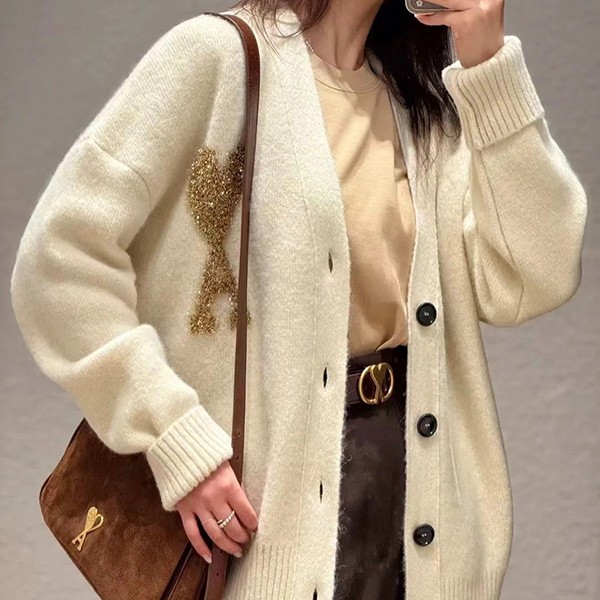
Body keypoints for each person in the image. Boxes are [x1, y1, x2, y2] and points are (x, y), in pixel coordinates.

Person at [10, 1, 587, 599]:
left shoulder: (423, 104)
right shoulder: (217, 60)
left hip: (416, 512)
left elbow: (536, 277)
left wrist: (488, 62)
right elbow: (60, 258)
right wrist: (174, 435)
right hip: (266, 530)